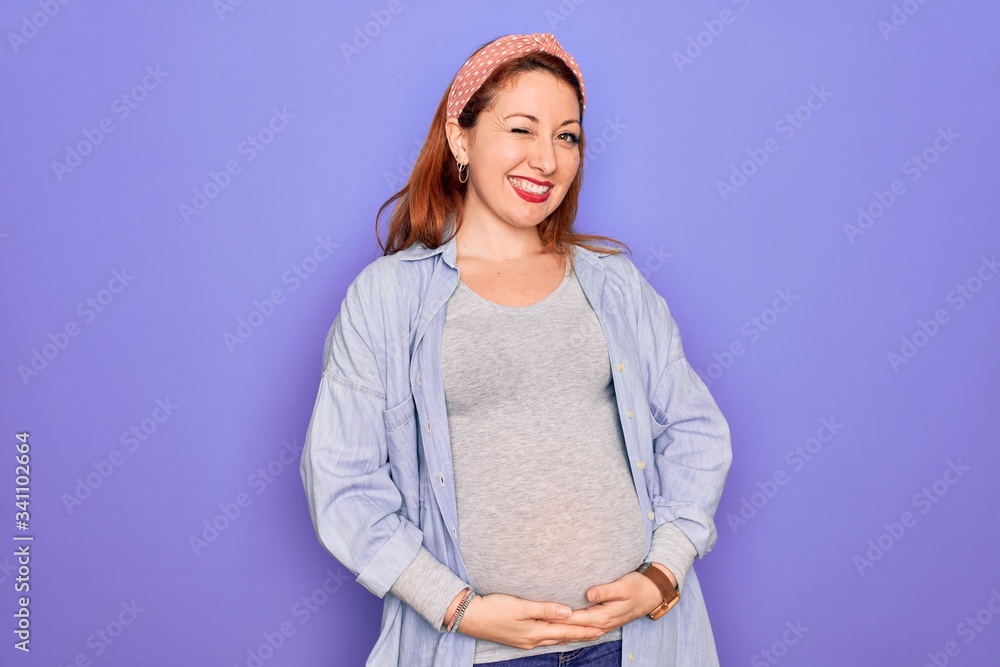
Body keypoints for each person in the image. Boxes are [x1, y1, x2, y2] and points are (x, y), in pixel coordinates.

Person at [299, 32, 732, 667]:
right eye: (522, 129)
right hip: (475, 654)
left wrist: (662, 574)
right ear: (461, 137)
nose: (548, 160)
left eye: (567, 136)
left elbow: (695, 431)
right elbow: (342, 482)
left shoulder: (614, 284)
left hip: (633, 646)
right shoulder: (388, 298)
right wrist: (457, 609)